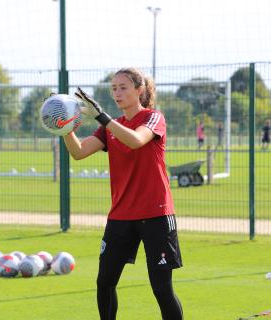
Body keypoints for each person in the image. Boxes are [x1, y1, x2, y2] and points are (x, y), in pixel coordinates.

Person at [64, 67, 183, 320]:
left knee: (161, 288)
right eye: (113, 89)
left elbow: (136, 140)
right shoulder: (111, 127)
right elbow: (78, 152)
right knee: (104, 282)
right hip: (121, 216)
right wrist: (64, 128)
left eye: (123, 87)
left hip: (156, 214)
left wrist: (101, 117)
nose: (117, 93)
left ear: (139, 90)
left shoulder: (154, 117)